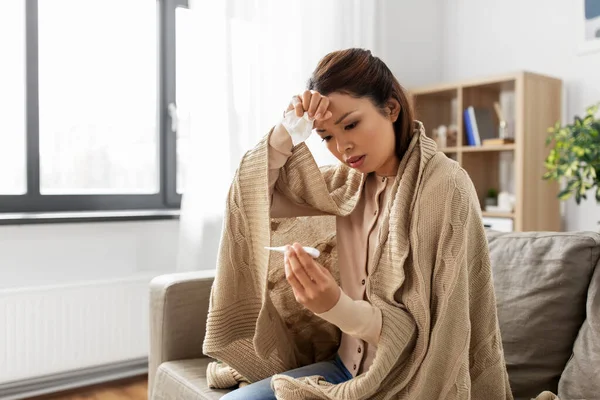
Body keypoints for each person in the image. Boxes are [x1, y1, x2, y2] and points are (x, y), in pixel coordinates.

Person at [208, 48, 516, 400]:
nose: (343, 147)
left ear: (391, 108)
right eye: (325, 136)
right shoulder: (344, 185)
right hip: (342, 368)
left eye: (351, 124)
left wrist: (333, 305)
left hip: (406, 378)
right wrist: (286, 132)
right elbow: (250, 199)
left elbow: (424, 333)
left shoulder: (444, 187)